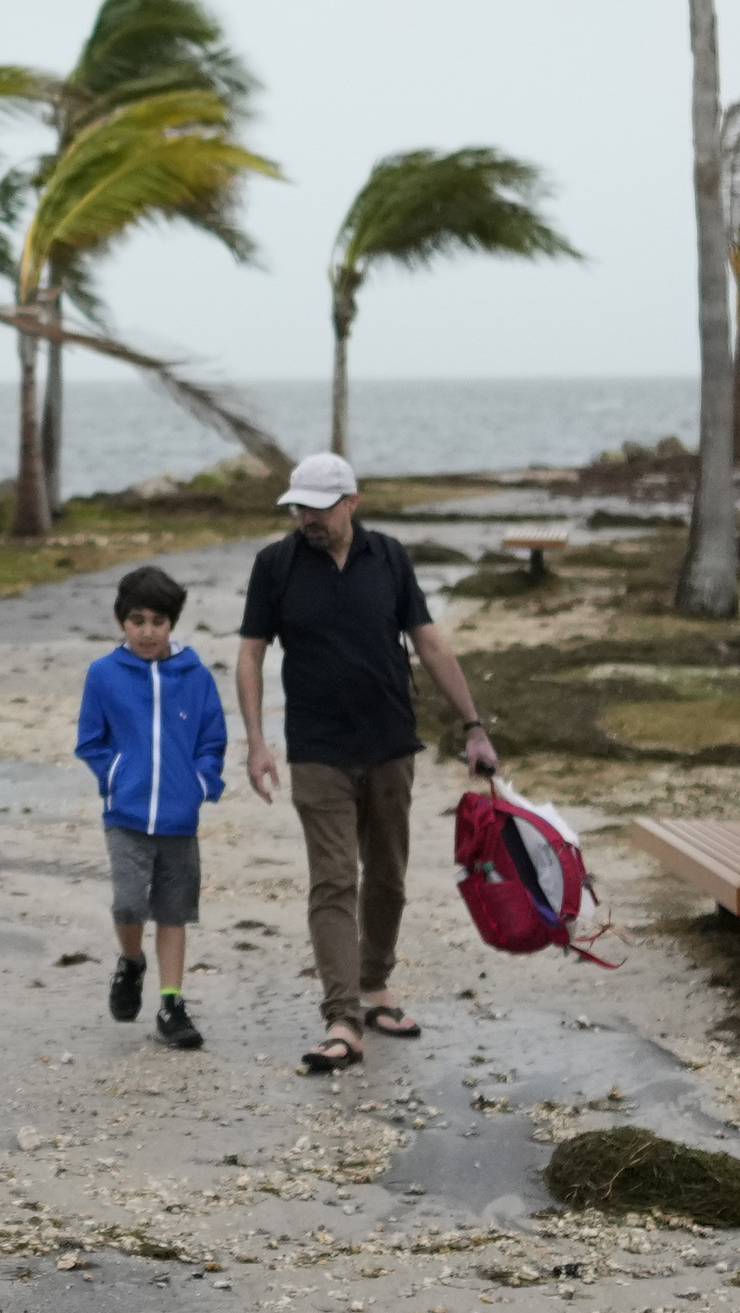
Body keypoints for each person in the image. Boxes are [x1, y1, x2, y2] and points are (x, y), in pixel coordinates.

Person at [228, 449, 498, 1072]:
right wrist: (257, 742)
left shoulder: (391, 558)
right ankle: (342, 1017)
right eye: (299, 507)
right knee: (332, 879)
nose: (307, 518)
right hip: (318, 749)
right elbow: (250, 654)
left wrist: (474, 725)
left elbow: (428, 639)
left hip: (389, 743)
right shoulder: (275, 565)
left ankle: (375, 986)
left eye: (319, 507)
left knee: (388, 876)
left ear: (352, 502)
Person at [70, 561, 228, 1052]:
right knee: (128, 903)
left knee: (174, 912)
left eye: (157, 622)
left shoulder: (196, 675)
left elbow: (212, 737)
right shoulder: (103, 674)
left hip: (180, 819)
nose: (147, 632)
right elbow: (90, 741)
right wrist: (116, 776)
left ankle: (172, 1003)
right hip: (126, 815)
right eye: (137, 621)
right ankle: (131, 962)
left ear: (172, 624)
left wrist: (201, 782)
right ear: (122, 620)